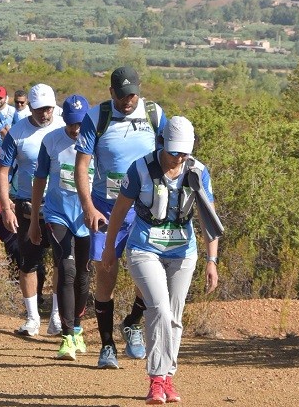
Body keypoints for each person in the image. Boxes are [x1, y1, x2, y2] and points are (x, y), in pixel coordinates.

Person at [101, 116, 220, 404]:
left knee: (175, 317)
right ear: (162, 144)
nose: (177, 158)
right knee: (159, 309)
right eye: (172, 151)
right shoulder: (141, 169)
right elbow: (118, 211)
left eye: (183, 152)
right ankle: (156, 379)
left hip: (183, 251)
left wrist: (212, 259)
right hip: (144, 248)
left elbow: (208, 218)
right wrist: (109, 248)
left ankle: (168, 377)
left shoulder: (198, 172)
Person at [74, 66, 167, 369]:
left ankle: (132, 323)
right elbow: (82, 164)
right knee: (106, 272)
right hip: (106, 207)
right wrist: (88, 206)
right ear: (111, 92)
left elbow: (170, 156)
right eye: (122, 94)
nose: (128, 100)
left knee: (147, 274)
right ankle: (107, 345)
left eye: (133, 94)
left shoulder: (153, 114)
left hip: (144, 209)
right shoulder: (96, 116)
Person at [0, 83, 66, 337]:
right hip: (26, 206)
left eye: (48, 109)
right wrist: (6, 207)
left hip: (58, 205)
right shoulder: (17, 132)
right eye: (39, 109)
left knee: (62, 262)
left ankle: (57, 317)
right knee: (28, 262)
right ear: (31, 108)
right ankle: (32, 317)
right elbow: (2, 171)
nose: (44, 114)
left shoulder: (63, 127)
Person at [28, 94, 92, 360]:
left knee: (84, 275)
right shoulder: (51, 141)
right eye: (71, 123)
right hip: (58, 215)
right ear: (63, 119)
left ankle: (77, 329)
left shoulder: (95, 142)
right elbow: (39, 180)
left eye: (80, 123)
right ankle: (66, 337)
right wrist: (34, 219)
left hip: (87, 217)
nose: (76, 129)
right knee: (66, 270)